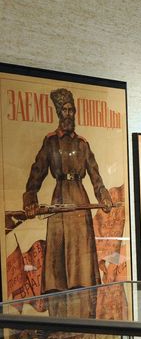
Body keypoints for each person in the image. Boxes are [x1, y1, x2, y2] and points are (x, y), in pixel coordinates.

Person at [23, 88, 113, 307]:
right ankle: (59, 308)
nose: (69, 114)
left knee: (81, 261)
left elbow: (95, 175)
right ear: (58, 113)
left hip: (80, 201)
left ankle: (84, 306)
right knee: (58, 259)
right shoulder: (51, 142)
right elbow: (37, 171)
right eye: (65, 110)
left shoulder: (82, 144)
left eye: (72, 110)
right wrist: (30, 198)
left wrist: (103, 196)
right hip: (59, 201)